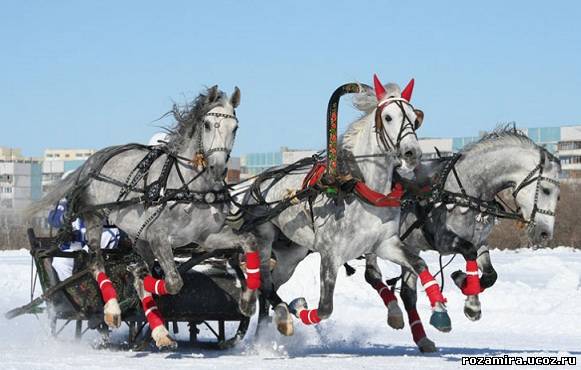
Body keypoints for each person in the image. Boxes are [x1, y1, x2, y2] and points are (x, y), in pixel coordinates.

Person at [48, 198, 121, 281]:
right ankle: (76, 288)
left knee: (112, 234)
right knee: (59, 262)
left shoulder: (96, 193)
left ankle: (106, 275)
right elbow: (53, 219)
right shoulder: (65, 201)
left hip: (96, 239)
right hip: (74, 245)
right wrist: (64, 217)